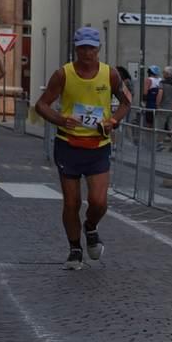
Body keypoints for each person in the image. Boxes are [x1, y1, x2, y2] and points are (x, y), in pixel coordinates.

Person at [34, 27, 130, 269]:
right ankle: (75, 249)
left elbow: (127, 102)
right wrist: (60, 119)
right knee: (71, 203)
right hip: (68, 145)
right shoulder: (63, 74)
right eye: (83, 48)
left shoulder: (110, 74)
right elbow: (41, 105)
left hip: (98, 145)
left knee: (99, 202)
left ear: (99, 48)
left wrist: (113, 120)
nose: (87, 53)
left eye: (92, 48)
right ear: (76, 48)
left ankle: (90, 226)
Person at [156, 73, 172, 150]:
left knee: (160, 126)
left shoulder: (162, 83)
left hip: (164, 107)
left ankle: (160, 144)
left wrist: (157, 105)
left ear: (166, 74)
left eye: (164, 73)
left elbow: (160, 93)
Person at [142, 65, 162, 129]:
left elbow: (145, 92)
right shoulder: (161, 80)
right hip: (159, 103)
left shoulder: (148, 80)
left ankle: (149, 132)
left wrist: (144, 101)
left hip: (150, 102)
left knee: (149, 121)